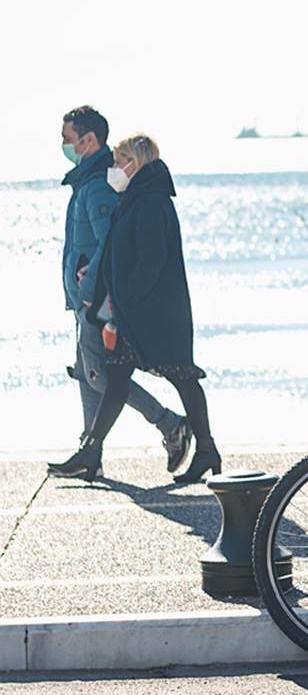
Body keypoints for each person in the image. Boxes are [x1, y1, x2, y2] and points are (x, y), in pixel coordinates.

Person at [49, 134, 219, 484]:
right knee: (116, 380)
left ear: (134, 163)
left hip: (155, 313)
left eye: (117, 160)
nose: (112, 167)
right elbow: (120, 250)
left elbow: (151, 260)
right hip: (134, 310)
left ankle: (206, 450)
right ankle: (91, 451)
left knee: (183, 377)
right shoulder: (135, 198)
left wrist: (124, 301)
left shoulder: (151, 202)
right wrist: (97, 277)